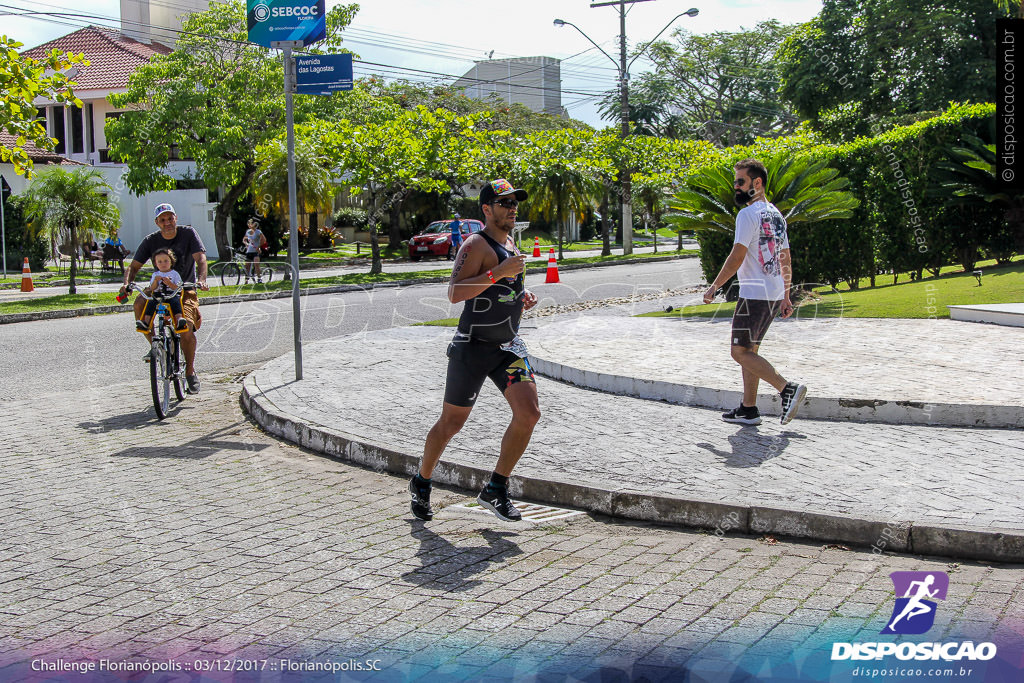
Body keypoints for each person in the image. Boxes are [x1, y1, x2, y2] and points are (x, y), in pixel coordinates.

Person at [410, 179, 539, 523]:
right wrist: (498, 273)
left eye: (515, 203)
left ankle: (496, 488)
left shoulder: (511, 242)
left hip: (508, 347)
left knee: (529, 414)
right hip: (472, 348)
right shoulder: (476, 243)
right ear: (486, 209)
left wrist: (520, 297)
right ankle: (422, 480)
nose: (512, 208)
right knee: (452, 422)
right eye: (504, 203)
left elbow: (502, 289)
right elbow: (455, 293)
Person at [702, 158, 807, 426]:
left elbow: (737, 256)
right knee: (751, 350)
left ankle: (787, 389)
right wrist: (785, 295)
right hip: (771, 294)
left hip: (754, 295)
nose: (736, 187)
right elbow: (785, 258)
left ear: (756, 183)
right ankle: (748, 409)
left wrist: (715, 286)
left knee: (739, 352)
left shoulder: (747, 215)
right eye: (735, 182)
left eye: (741, 181)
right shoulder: (776, 215)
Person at [120, 203, 209, 394]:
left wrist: (201, 280)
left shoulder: (188, 234)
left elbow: (201, 259)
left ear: (175, 218)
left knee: (185, 330)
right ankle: (156, 346)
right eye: (163, 220)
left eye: (170, 218)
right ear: (157, 222)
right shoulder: (150, 240)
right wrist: (127, 284)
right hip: (158, 290)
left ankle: (190, 372)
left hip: (184, 289)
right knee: (139, 304)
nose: (167, 222)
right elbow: (133, 267)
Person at [135, 248, 189, 334]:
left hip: (171, 294)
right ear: (156, 264)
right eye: (159, 262)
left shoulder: (174, 274)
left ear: (171, 262)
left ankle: (179, 320)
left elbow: (178, 287)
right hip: (158, 295)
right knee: (150, 302)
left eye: (166, 261)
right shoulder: (155, 274)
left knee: (176, 301)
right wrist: (156, 281)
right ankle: (146, 322)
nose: (163, 263)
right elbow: (152, 288)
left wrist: (169, 283)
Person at [242, 218, 265, 283]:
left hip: (255, 251)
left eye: (251, 224)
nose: (249, 225)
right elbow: (244, 239)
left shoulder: (258, 232)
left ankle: (259, 278)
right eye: (249, 224)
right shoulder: (248, 231)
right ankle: (246, 279)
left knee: (256, 264)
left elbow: (264, 240)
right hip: (249, 251)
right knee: (247, 266)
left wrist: (258, 247)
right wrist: (246, 244)